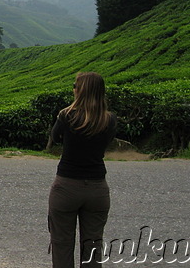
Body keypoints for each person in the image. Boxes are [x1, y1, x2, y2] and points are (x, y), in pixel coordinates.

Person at [47, 71, 117, 268]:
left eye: (75, 86)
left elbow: (55, 137)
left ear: (81, 91)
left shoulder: (66, 115)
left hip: (66, 187)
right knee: (93, 245)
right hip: (97, 189)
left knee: (61, 243)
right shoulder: (109, 120)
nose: (73, 89)